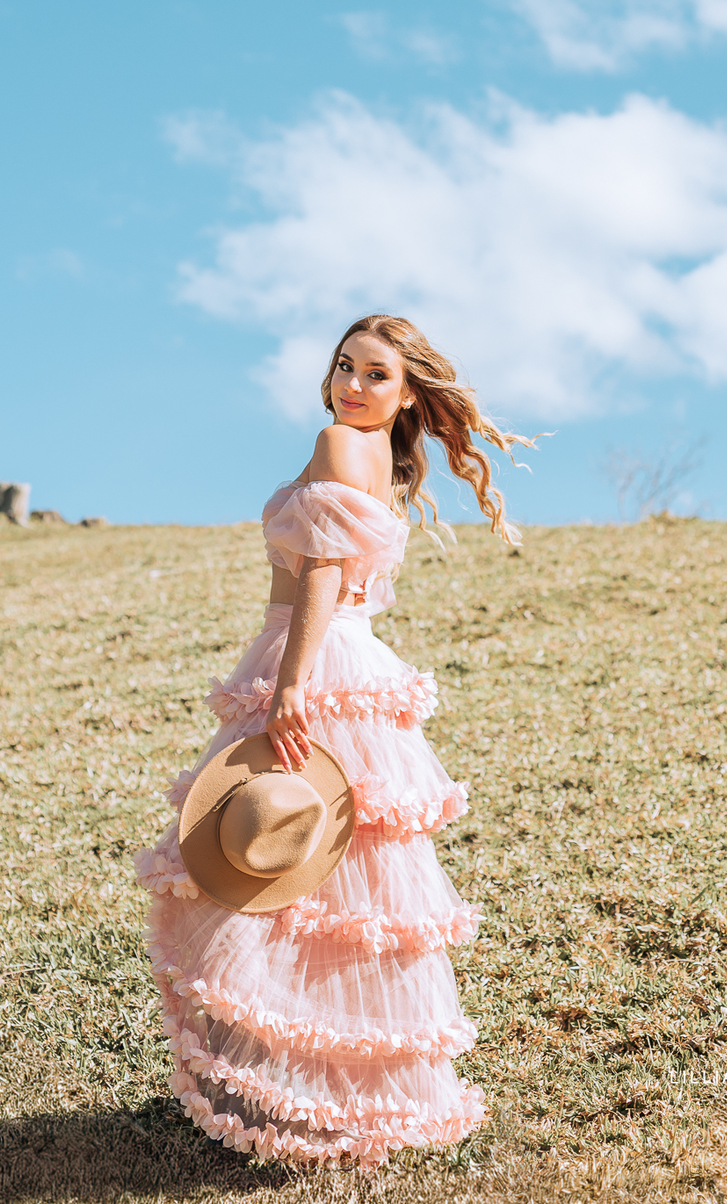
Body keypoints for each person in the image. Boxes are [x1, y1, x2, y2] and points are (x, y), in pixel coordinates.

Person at [134, 313, 535, 1166]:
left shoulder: (337, 444)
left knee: (281, 871)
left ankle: (299, 1088)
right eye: (345, 367)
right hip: (345, 654)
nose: (351, 386)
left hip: (313, 657)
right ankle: (327, 1090)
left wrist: (290, 688)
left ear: (409, 392)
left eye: (375, 375)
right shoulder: (377, 457)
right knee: (339, 886)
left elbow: (320, 569)